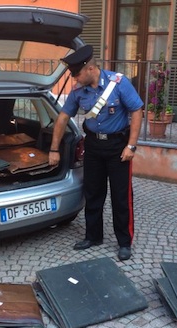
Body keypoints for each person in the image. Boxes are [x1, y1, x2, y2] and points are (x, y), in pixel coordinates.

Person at [48, 45, 144, 261]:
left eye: (77, 74)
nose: (74, 79)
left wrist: (131, 146)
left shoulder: (118, 84)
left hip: (118, 148)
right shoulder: (78, 92)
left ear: (90, 69)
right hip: (93, 146)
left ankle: (124, 242)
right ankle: (93, 236)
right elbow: (63, 118)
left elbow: (137, 110)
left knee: (121, 197)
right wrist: (54, 148)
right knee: (93, 193)